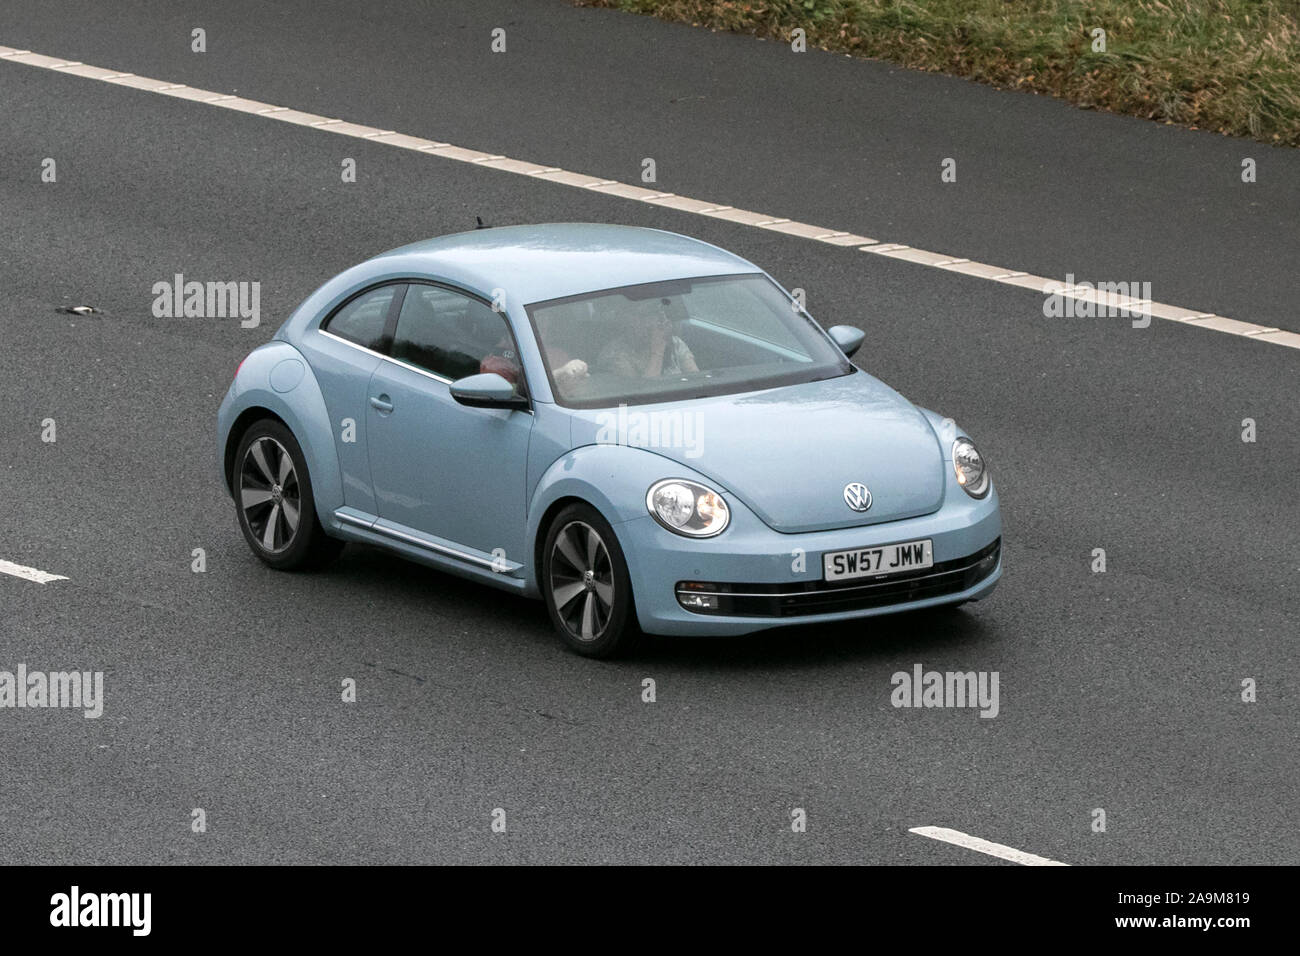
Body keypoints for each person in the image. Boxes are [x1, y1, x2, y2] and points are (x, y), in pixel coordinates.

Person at [597, 297, 698, 378]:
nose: (650, 322)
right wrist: (658, 351)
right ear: (626, 320)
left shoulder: (675, 344)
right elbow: (640, 394)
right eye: (643, 316)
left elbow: (695, 380)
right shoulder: (614, 354)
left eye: (653, 315)